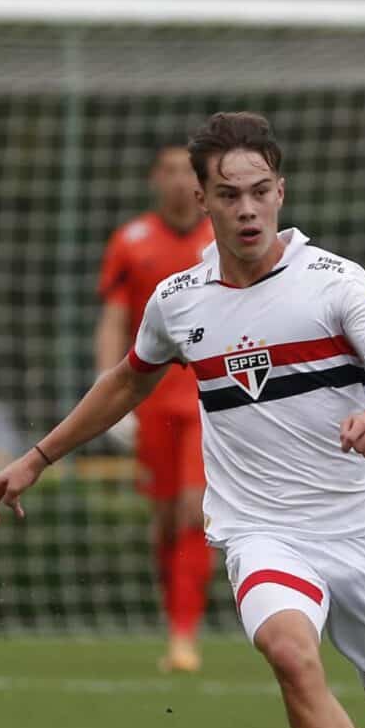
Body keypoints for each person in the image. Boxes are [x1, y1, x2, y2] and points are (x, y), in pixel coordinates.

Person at [0, 112, 365, 728]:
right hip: (263, 529)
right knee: (290, 653)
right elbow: (129, 377)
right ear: (204, 199)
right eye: (230, 194)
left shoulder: (335, 282)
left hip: (359, 523)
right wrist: (37, 456)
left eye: (261, 191)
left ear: (281, 190)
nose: (249, 209)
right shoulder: (179, 298)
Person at [95, 145, 215, 673]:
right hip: (152, 400)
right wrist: (109, 397)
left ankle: (183, 636)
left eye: (188, 170)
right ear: (154, 179)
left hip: (211, 399)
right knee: (165, 520)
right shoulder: (131, 240)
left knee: (194, 508)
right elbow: (115, 319)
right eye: (168, 170)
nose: (178, 180)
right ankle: (174, 618)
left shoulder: (223, 237)